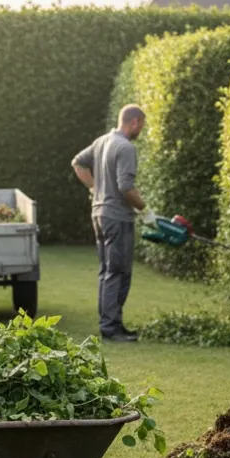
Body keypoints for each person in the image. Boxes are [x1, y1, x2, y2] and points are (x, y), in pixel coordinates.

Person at [71, 104, 156, 342]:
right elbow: (125, 186)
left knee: (107, 271)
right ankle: (110, 328)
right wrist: (145, 210)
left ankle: (112, 323)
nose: (141, 130)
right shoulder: (126, 147)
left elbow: (77, 163)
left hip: (99, 214)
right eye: (142, 125)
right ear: (134, 123)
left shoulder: (101, 142)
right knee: (118, 272)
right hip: (117, 217)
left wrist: (94, 188)